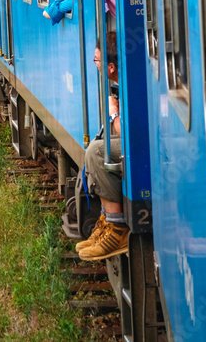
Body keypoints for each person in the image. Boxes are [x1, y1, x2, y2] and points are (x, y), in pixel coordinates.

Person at [75, 32, 129, 261]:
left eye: (96, 60)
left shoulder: (129, 84)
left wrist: (114, 112)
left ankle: (117, 229)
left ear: (110, 68)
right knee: (100, 142)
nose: (94, 64)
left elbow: (127, 133)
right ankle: (107, 220)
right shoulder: (121, 80)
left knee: (97, 152)